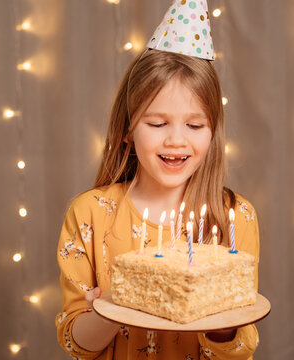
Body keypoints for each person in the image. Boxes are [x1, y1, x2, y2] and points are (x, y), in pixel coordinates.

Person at [56, 1, 260, 359]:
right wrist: (114, 304)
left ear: (213, 132)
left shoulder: (234, 217)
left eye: (194, 125)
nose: (176, 140)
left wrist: (222, 321)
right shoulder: (90, 214)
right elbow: (77, 344)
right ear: (126, 130)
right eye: (157, 123)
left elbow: (240, 349)